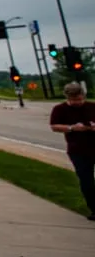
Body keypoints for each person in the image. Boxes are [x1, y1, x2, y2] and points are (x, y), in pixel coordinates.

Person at [49, 81, 95, 219]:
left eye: (80, 99)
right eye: (74, 100)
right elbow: (54, 126)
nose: (78, 102)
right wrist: (71, 128)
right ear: (67, 97)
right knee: (86, 180)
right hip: (78, 150)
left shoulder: (92, 107)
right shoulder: (59, 109)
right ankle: (94, 208)